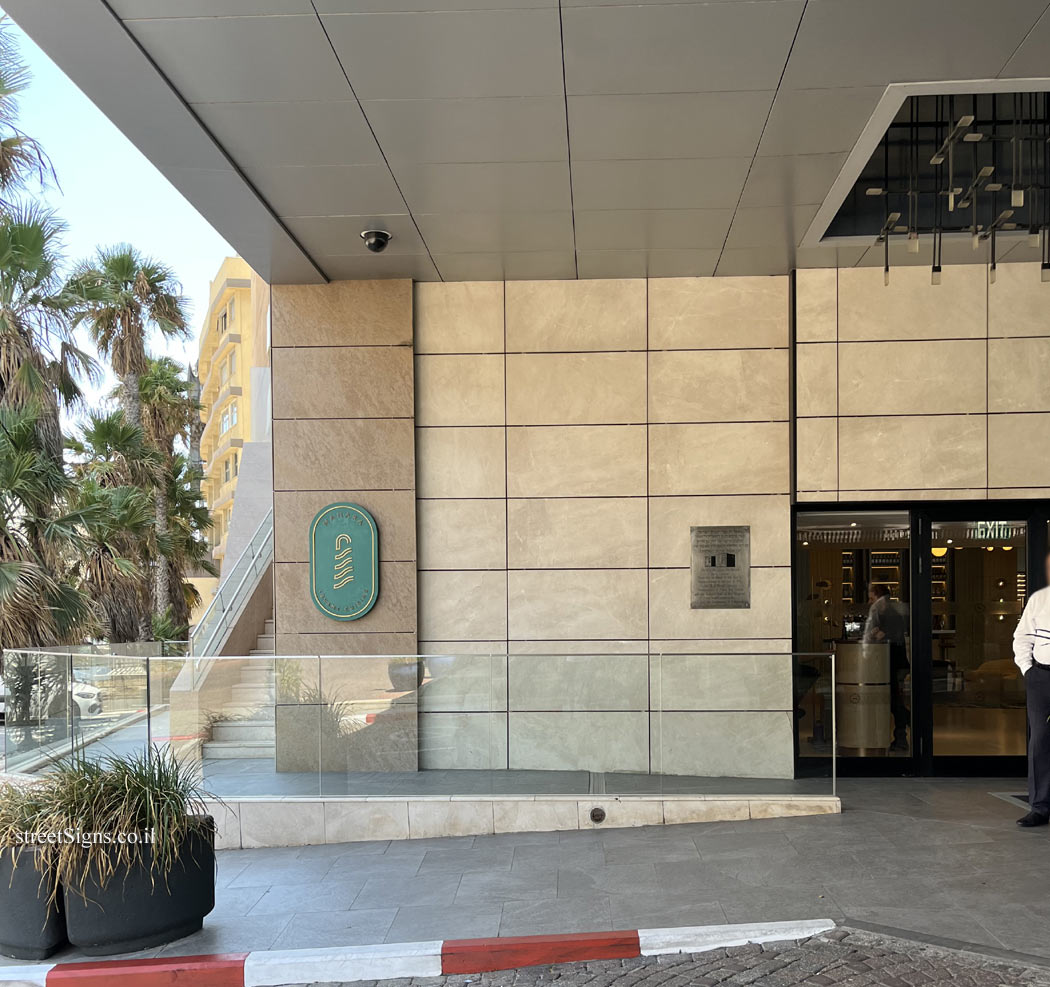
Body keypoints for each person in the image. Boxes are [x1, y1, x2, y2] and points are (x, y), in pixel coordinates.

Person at [1013, 550, 1050, 827]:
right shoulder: (1039, 599)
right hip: (1042, 677)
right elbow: (1021, 637)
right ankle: (1040, 807)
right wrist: (1029, 671)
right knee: (1040, 741)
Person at [864, 584, 910, 751]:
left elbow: (879, 638)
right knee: (893, 701)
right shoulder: (886, 615)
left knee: (894, 702)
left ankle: (904, 733)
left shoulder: (890, 615)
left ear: (880, 598)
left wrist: (873, 635)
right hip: (893, 664)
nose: (870, 603)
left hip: (895, 665)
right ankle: (905, 731)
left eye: (871, 598)